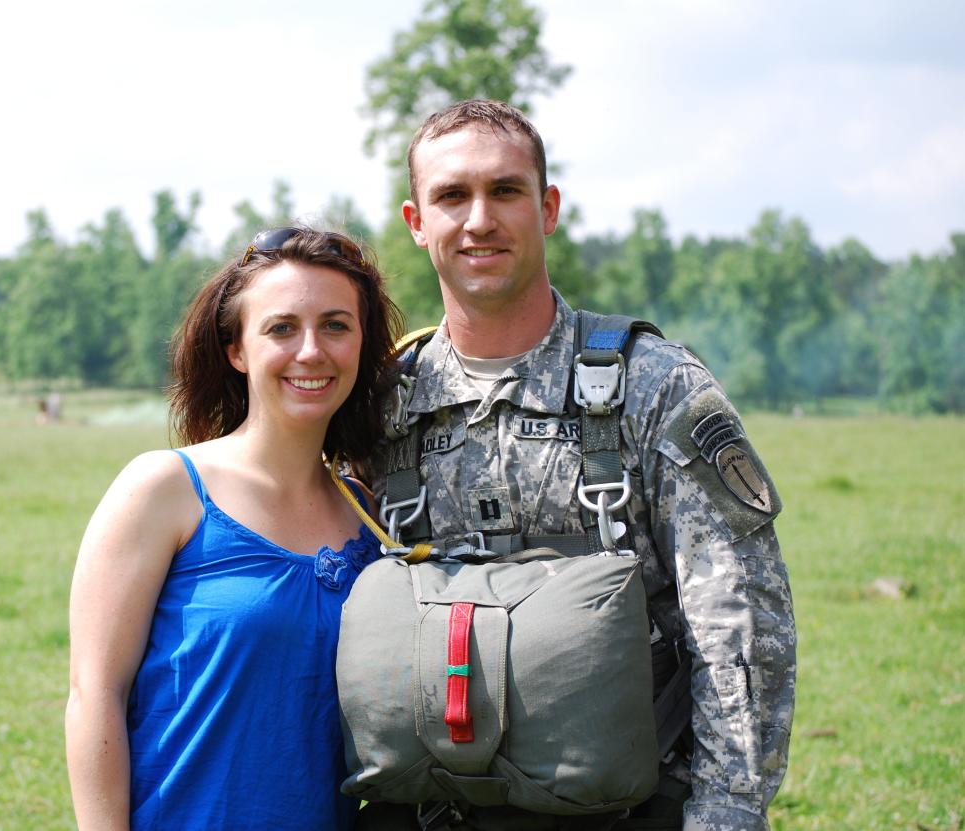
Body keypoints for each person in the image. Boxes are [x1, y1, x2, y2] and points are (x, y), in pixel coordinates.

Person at [360, 100, 796, 831]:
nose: (479, 220)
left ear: (548, 207)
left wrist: (727, 811)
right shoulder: (377, 406)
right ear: (415, 221)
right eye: (452, 196)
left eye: (505, 191)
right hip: (433, 808)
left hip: (630, 804)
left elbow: (738, 623)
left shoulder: (653, 385)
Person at [66, 228, 401, 830]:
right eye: (281, 328)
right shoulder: (163, 490)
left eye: (335, 325)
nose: (311, 350)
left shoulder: (370, 516)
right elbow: (96, 696)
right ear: (236, 350)